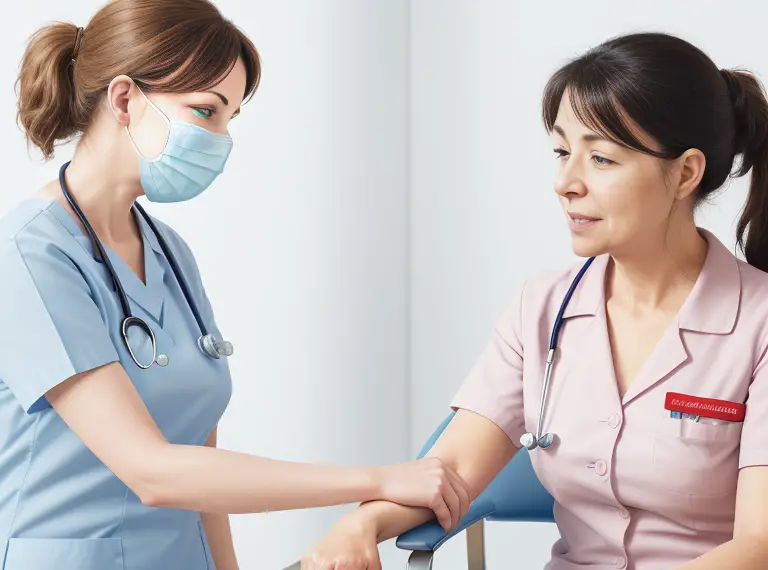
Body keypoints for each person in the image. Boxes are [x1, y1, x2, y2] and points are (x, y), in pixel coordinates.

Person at [0, 2, 471, 569]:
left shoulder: (169, 253)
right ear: (123, 99)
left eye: (229, 118)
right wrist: (378, 478)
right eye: (206, 111)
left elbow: (202, 461)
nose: (221, 139)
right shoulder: (30, 253)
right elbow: (152, 470)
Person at [302, 31, 768, 570]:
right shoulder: (542, 307)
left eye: (601, 159)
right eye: (563, 152)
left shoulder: (757, 324)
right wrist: (360, 525)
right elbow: (448, 470)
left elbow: (758, 545)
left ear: (686, 172)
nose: (565, 182)